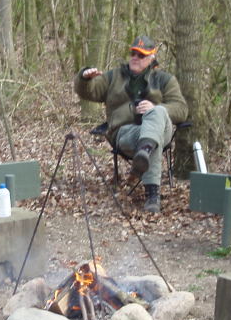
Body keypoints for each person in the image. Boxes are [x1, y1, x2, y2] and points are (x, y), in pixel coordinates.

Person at [74, 36, 188, 213]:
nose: (135, 57)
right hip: (126, 132)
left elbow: (181, 109)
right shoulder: (114, 76)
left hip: (160, 129)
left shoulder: (164, 80)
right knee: (152, 141)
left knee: (157, 115)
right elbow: (89, 92)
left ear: (151, 58)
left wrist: (155, 108)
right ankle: (152, 195)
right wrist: (84, 78)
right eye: (133, 53)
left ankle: (145, 150)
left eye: (141, 55)